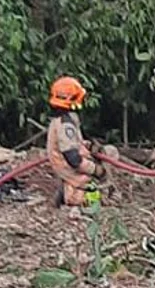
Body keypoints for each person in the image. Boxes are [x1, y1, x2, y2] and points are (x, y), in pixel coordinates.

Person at [46, 76, 110, 207]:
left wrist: (89, 146)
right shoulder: (65, 125)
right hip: (68, 167)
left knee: (110, 152)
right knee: (93, 199)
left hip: (71, 162)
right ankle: (68, 192)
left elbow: (74, 143)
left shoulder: (67, 120)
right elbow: (73, 159)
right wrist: (95, 170)